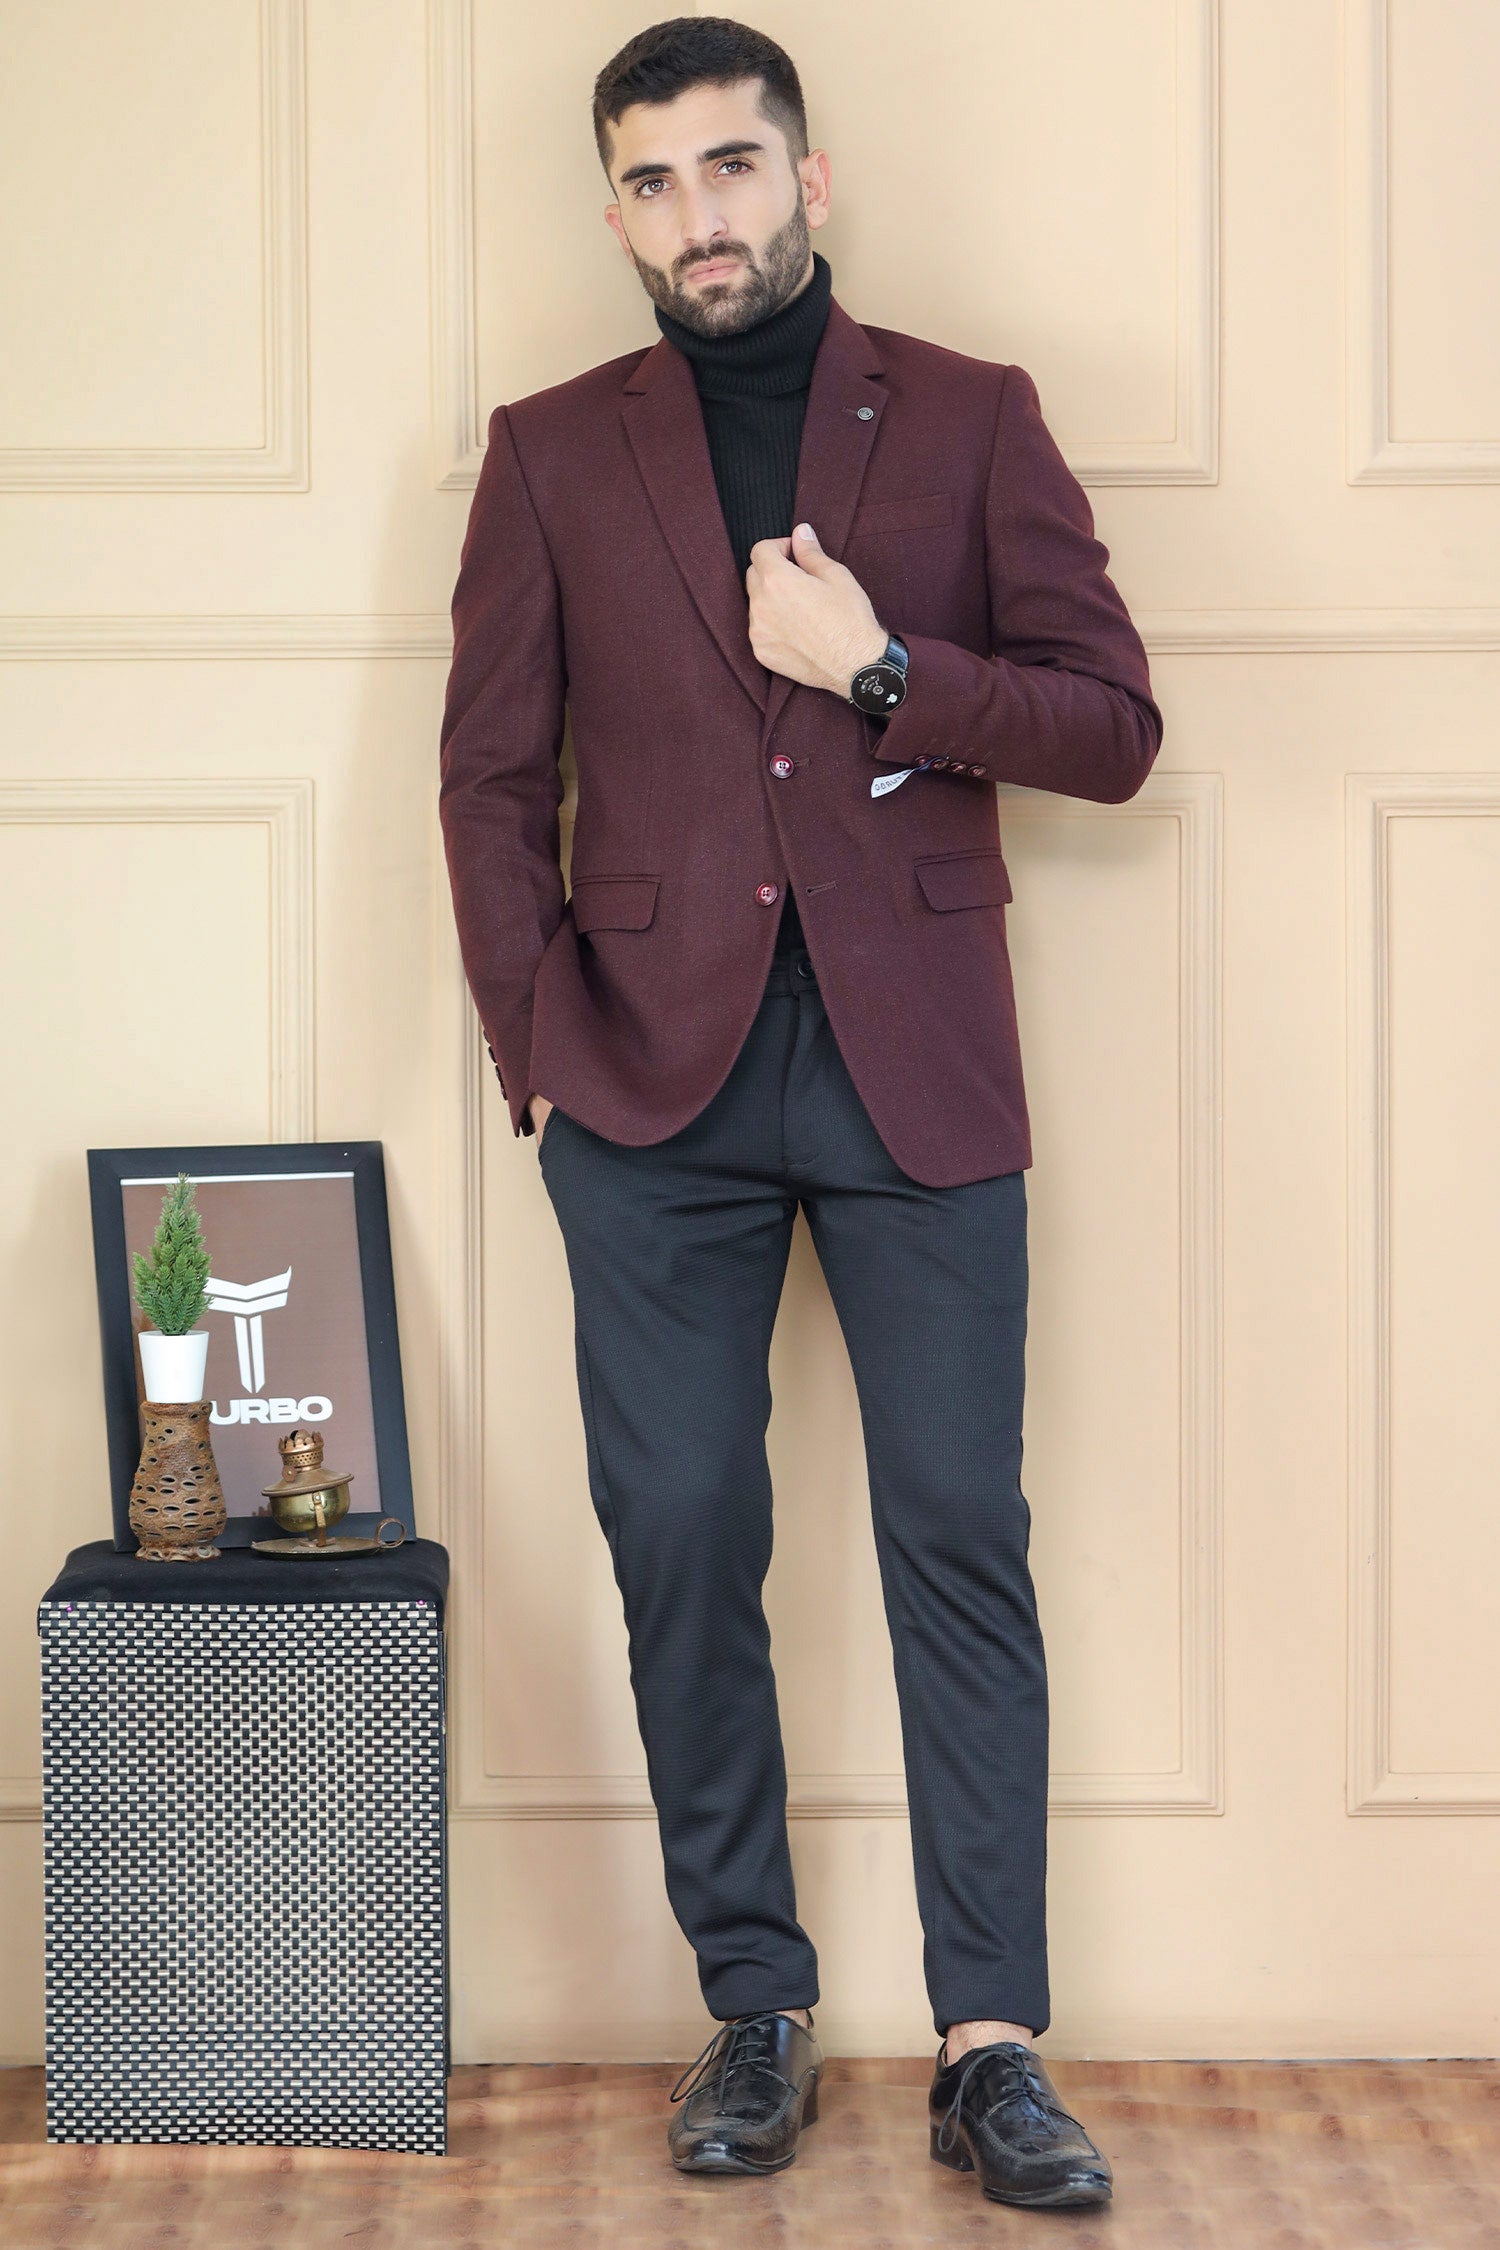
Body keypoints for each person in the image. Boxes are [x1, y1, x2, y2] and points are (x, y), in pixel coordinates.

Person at [439, 14, 1162, 2212]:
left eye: (733, 166)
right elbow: (489, 780)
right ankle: (751, 2004)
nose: (702, 216)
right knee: (681, 1536)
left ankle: (989, 2042)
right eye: (654, 182)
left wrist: (884, 670)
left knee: (957, 1534)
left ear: (809, 177)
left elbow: (1112, 725)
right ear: (616, 213)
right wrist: (540, 1047)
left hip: (915, 1062)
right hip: (648, 1084)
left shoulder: (970, 413)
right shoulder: (550, 452)